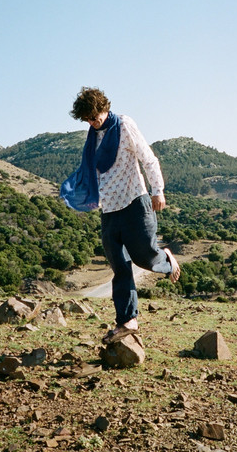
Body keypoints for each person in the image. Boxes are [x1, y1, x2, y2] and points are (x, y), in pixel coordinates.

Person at [60, 86, 180, 343]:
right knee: (120, 267)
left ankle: (166, 258)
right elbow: (95, 172)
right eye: (88, 119)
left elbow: (148, 159)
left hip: (135, 202)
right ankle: (127, 320)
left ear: (104, 107)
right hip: (109, 210)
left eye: (95, 116)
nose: (93, 122)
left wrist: (158, 190)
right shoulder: (93, 137)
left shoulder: (124, 125)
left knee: (145, 258)